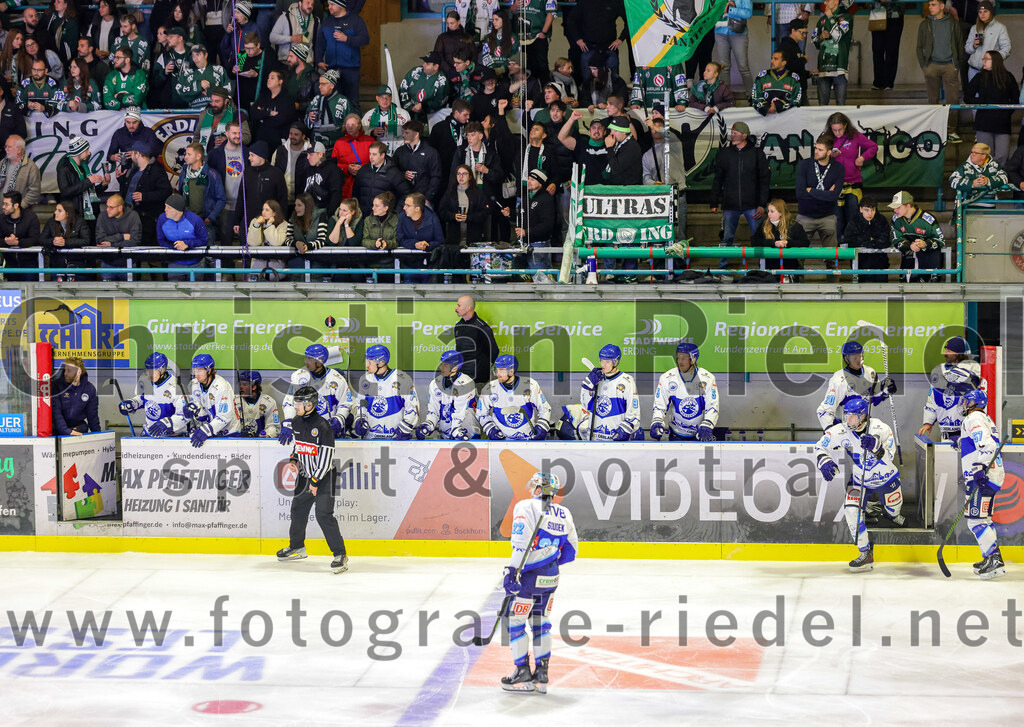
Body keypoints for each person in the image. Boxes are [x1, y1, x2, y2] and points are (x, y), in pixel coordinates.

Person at [499, 471, 577, 694]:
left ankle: (522, 671)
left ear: (539, 489)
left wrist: (512, 571)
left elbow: (521, 544)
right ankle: (542, 673)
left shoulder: (525, 506)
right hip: (551, 577)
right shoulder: (564, 512)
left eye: (534, 485)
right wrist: (549, 561)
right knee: (541, 620)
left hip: (529, 576)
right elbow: (572, 551)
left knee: (515, 620)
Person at [814, 396, 903, 573]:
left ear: (863, 416)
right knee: (851, 511)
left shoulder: (881, 428)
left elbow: (890, 459)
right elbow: (819, 446)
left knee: (895, 513)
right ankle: (865, 553)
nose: (849, 420)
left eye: (853, 417)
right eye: (846, 416)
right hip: (860, 480)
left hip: (886, 478)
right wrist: (823, 460)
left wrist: (877, 448)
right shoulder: (840, 431)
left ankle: (884, 511)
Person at [277, 385, 350, 574]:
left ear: (310, 404)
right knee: (297, 509)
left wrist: (315, 482)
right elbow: (297, 446)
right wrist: (294, 459)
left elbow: (326, 459)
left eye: (299, 403)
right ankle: (297, 547)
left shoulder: (323, 426)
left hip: (324, 476)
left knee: (323, 514)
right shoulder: (296, 422)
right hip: (305, 475)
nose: (296, 405)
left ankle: (340, 554)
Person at [956, 388, 1006, 579]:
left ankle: (993, 559)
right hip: (993, 475)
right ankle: (992, 557)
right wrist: (961, 441)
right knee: (984, 519)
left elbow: (988, 445)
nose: (964, 405)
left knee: (975, 520)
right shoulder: (984, 418)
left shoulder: (973, 418)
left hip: (983, 475)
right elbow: (982, 442)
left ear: (974, 403)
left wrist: (978, 468)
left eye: (966, 402)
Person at [711, 122, 770, 263]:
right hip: (730, 205)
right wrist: (714, 201)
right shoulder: (724, 153)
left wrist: (762, 204)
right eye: (732, 133)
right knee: (726, 238)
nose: (732, 135)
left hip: (753, 205)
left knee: (760, 237)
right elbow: (717, 179)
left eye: (735, 133)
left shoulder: (757, 154)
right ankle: (722, 268)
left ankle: (764, 267)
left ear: (744, 135)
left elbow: (765, 180)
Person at [278, 343, 353, 445]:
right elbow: (289, 402)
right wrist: (288, 422)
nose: (306, 361)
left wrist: (339, 419)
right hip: (303, 431)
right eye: (306, 358)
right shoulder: (298, 376)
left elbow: (345, 403)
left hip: (328, 433)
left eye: (310, 359)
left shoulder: (337, 379)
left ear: (319, 361)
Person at [816, 340, 896, 430]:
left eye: (860, 356)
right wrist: (829, 429)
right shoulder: (838, 380)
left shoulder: (870, 372)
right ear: (846, 359)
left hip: (864, 426)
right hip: (845, 427)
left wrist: (885, 390)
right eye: (855, 358)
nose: (859, 360)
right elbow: (824, 410)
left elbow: (872, 398)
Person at [650, 341, 718, 441]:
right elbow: (660, 404)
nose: (680, 362)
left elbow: (712, 405)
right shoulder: (667, 378)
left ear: (693, 359)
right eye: (678, 357)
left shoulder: (707, 378)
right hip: (675, 434)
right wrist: (657, 421)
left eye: (684, 358)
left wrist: (708, 423)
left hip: (699, 434)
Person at [919, 335, 982, 442]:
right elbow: (932, 398)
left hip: (969, 430)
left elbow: (979, 395)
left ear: (959, 353)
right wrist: (928, 422)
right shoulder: (939, 370)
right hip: (946, 432)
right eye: (945, 350)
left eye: (949, 350)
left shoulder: (974, 368)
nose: (945, 353)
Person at [826, 113, 878, 242]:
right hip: (834, 185)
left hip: (853, 184)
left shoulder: (855, 136)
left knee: (853, 218)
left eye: (840, 129)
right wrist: (829, 155)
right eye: (834, 130)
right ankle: (835, 254)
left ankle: (853, 250)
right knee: (836, 220)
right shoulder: (827, 138)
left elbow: (873, 146)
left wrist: (862, 157)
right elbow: (817, 156)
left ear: (845, 125)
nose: (837, 133)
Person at [918, 0, 965, 143]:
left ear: (942, 6)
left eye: (933, 5)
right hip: (931, 66)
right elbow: (919, 47)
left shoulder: (952, 23)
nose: (930, 7)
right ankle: (935, 129)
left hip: (950, 66)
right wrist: (924, 66)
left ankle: (951, 130)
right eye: (929, 5)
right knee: (933, 100)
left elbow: (959, 44)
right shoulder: (925, 24)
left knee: (952, 100)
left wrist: (956, 64)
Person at [575, 344, 640, 441]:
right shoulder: (595, 379)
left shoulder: (627, 381)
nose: (603, 364)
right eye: (601, 360)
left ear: (615, 361)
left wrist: (626, 427)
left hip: (615, 439)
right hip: (594, 439)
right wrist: (589, 389)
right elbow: (585, 405)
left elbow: (634, 410)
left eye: (607, 361)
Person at [478, 354, 551, 440]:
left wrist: (542, 426)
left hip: (528, 439)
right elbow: (481, 413)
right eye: (496, 370)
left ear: (511, 371)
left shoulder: (530, 385)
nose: (498, 374)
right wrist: (491, 429)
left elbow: (545, 408)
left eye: (501, 370)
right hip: (501, 441)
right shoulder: (490, 388)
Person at [353, 344, 419, 440]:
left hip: (396, 440)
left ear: (381, 362)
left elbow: (412, 408)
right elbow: (360, 405)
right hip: (370, 439)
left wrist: (404, 429)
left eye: (370, 362)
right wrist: (360, 420)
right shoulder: (364, 379)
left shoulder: (403, 379)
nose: (367, 365)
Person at [964, 53, 1019, 167]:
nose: (983, 61)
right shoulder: (980, 77)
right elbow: (967, 97)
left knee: (1002, 156)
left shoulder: (1008, 77)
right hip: (984, 122)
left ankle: (998, 180)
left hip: (1002, 124)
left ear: (995, 61)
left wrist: (1006, 113)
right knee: (984, 156)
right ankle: (985, 181)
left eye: (986, 59)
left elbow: (1015, 99)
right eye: (983, 58)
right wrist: (981, 102)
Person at [317, 0, 369, 112]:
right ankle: (337, 128)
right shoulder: (326, 22)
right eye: (328, 4)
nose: (329, 7)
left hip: (351, 69)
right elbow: (320, 43)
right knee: (334, 101)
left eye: (332, 4)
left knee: (353, 101)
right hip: (332, 69)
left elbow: (365, 39)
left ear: (340, 5)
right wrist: (319, 60)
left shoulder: (356, 20)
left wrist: (347, 39)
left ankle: (356, 128)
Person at [416, 350, 480, 440]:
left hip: (467, 433)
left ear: (455, 368)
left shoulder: (466, 383)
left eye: (446, 365)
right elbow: (433, 410)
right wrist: (428, 425)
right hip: (446, 434)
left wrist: (455, 431)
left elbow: (460, 412)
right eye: (442, 364)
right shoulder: (435, 383)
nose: (441, 368)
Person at [118, 352, 186, 437]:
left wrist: (168, 423)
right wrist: (132, 403)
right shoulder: (145, 380)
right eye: (148, 371)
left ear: (162, 369)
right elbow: (142, 399)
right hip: (150, 432)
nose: (150, 375)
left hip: (171, 435)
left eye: (153, 372)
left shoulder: (176, 386)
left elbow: (184, 415)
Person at [795, 135, 843, 248]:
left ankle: (830, 266)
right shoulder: (804, 165)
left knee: (831, 255)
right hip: (805, 215)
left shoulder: (838, 168)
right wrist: (826, 193)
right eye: (816, 148)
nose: (816, 152)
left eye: (820, 150)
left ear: (829, 152)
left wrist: (811, 190)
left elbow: (834, 196)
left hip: (827, 216)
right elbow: (800, 194)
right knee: (798, 254)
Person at [185, 353, 241, 448]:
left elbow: (224, 416)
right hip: (212, 432)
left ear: (209, 370)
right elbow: (204, 414)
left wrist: (207, 430)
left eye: (199, 371)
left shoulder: (222, 386)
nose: (196, 375)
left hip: (229, 433)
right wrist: (194, 412)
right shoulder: (194, 384)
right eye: (194, 371)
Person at [233, 141, 288, 236]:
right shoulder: (247, 172)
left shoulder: (276, 173)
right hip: (249, 222)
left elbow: (282, 200)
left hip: (270, 223)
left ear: (261, 156)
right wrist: (237, 221)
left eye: (252, 155)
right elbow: (241, 197)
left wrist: (280, 221)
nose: (249, 158)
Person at [887, 191, 943, 283]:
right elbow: (896, 239)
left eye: (898, 207)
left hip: (929, 263)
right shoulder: (896, 219)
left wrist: (925, 244)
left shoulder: (927, 219)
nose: (895, 210)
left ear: (908, 205)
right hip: (908, 263)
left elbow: (940, 240)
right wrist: (909, 245)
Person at [178, 143, 226, 244]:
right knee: (189, 256)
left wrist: (210, 217)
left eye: (189, 154)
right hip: (187, 221)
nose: (185, 157)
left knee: (208, 256)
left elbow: (221, 199)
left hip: (205, 223)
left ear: (198, 156)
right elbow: (180, 196)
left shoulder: (212, 175)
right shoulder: (184, 173)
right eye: (186, 154)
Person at [751, 198, 809, 282]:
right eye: (768, 211)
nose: (769, 214)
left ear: (781, 213)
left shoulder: (795, 226)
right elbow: (754, 241)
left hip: (789, 268)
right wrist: (773, 243)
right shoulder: (764, 225)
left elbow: (805, 242)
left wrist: (788, 243)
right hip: (768, 269)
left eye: (772, 211)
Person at [57, 136, 108, 226]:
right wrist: (88, 181)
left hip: (90, 213)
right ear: (78, 152)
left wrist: (103, 184)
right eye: (86, 151)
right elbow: (65, 192)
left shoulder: (84, 167)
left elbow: (88, 192)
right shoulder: (64, 169)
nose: (89, 153)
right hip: (76, 214)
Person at [438, 164, 494, 247]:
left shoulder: (478, 193)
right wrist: (453, 216)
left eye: (464, 174)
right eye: (458, 174)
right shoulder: (450, 193)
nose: (461, 176)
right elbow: (441, 211)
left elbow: (485, 212)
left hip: (473, 235)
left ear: (470, 176)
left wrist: (469, 217)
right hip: (454, 236)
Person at [158, 194, 209, 279]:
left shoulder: (195, 220)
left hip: (196, 262)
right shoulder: (162, 219)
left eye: (168, 208)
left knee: (196, 290)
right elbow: (161, 240)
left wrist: (187, 244)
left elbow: (204, 240)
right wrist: (176, 246)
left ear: (178, 210)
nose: (165, 210)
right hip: (174, 262)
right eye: (165, 206)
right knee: (175, 290)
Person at [452, 296, 499, 387]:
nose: (456, 308)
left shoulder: (482, 327)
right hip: (462, 378)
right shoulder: (458, 326)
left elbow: (494, 350)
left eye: (459, 306)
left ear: (468, 308)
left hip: (479, 380)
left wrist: (484, 368)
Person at [811, 0, 852, 105]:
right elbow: (814, 41)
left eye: (828, 0)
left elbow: (838, 35)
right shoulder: (822, 20)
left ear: (836, 1)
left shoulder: (846, 17)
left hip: (839, 67)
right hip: (823, 67)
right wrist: (821, 36)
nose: (825, 3)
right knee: (822, 106)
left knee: (841, 105)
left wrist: (830, 17)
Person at [393, 120, 442, 206]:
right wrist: (403, 174)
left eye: (407, 133)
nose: (403, 135)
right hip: (403, 198)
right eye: (403, 132)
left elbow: (436, 177)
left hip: (424, 198)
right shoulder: (399, 151)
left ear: (416, 134)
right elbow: (392, 172)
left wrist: (427, 197)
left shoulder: (431, 152)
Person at [354, 141, 410, 216]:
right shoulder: (363, 170)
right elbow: (355, 192)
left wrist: (396, 212)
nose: (371, 157)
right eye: (370, 153)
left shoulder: (393, 173)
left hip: (384, 218)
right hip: (363, 215)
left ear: (382, 155)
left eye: (374, 154)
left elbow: (405, 194)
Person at [843, 197, 891, 282]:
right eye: (867, 210)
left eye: (872, 210)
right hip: (860, 264)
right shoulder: (854, 221)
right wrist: (869, 239)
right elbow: (849, 240)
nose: (870, 213)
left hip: (880, 264)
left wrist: (866, 242)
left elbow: (886, 240)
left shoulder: (882, 220)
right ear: (861, 209)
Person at [714, 0, 754, 99]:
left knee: (743, 67)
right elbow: (711, 11)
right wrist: (719, 9)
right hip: (720, 32)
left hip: (739, 33)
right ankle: (725, 97)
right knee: (724, 67)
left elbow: (748, 13)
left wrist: (730, 9)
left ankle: (753, 95)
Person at [557, 110, 609, 187]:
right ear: (589, 132)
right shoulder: (581, 145)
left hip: (605, 189)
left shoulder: (610, 146)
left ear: (604, 132)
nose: (596, 131)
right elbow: (561, 137)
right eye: (593, 128)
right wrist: (572, 119)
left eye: (600, 128)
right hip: (583, 189)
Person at [52, 356, 100, 436]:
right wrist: (67, 432)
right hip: (59, 429)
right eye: (65, 370)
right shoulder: (57, 386)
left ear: (79, 372)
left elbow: (93, 417)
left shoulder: (89, 389)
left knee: (83, 428)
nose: (65, 373)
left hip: (78, 428)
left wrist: (98, 436)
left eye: (69, 371)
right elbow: (56, 413)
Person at [42, 200, 91, 278]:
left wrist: (65, 242)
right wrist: (53, 241)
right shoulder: (51, 222)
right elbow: (42, 239)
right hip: (57, 264)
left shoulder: (80, 222)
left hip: (76, 263)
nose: (55, 212)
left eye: (59, 211)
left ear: (68, 213)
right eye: (56, 209)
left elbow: (86, 240)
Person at [964, 1, 1010, 83]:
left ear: (991, 12)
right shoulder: (974, 28)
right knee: (973, 95)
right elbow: (967, 49)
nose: (982, 14)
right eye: (980, 12)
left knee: (988, 95)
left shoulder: (1000, 28)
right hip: (973, 69)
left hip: (991, 71)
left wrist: (994, 60)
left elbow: (1007, 49)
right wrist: (973, 46)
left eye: (985, 11)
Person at [196, 86, 253, 153]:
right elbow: (196, 136)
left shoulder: (237, 115)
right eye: (212, 101)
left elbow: (247, 137)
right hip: (204, 156)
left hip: (228, 156)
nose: (213, 104)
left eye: (217, 101)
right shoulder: (205, 114)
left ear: (226, 101)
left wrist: (229, 140)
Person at [250, 69, 298, 148]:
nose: (268, 80)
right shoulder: (264, 95)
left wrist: (262, 117)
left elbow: (281, 119)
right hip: (261, 137)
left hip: (278, 139)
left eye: (272, 78)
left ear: (280, 81)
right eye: (268, 78)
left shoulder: (287, 99)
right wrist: (269, 113)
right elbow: (253, 113)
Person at [332, 114, 374, 199]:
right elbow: (334, 165)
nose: (350, 127)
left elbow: (376, 162)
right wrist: (347, 168)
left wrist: (362, 168)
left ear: (359, 126)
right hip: (346, 185)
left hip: (366, 183)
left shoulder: (369, 141)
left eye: (353, 125)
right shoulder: (339, 142)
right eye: (348, 125)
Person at [513, 0, 556, 83]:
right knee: (524, 66)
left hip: (538, 35)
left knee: (541, 66)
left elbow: (551, 14)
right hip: (520, 37)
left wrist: (543, 32)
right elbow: (510, 10)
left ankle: (545, 90)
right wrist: (515, 5)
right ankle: (530, 91)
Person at [400, 51, 450, 123]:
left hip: (429, 118)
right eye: (424, 62)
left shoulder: (442, 82)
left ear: (435, 67)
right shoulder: (415, 71)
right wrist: (410, 106)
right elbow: (403, 88)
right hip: (408, 113)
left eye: (427, 64)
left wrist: (423, 106)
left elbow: (439, 102)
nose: (423, 65)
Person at [0, 191, 40, 279]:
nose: (3, 207)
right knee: (13, 292)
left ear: (16, 205)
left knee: (29, 291)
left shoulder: (31, 217)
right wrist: (7, 241)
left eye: (7, 204)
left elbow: (35, 239)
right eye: (3, 204)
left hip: (29, 265)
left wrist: (17, 242)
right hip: (10, 264)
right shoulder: (1, 219)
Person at [307, 69, 351, 147]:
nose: (320, 87)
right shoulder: (316, 100)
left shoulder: (343, 101)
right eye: (319, 84)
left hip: (337, 144)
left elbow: (351, 123)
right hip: (316, 144)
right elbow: (306, 120)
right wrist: (309, 118)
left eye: (323, 84)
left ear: (332, 85)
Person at [296, 141, 343, 214]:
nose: (308, 157)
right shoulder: (307, 170)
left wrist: (328, 215)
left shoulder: (333, 170)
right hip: (306, 213)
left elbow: (336, 195)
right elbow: (300, 191)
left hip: (323, 214)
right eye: (307, 154)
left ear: (320, 154)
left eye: (311, 154)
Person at [247, 200, 289, 278]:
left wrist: (268, 225)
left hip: (277, 269)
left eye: (267, 210)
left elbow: (276, 242)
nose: (263, 212)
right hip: (257, 267)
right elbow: (253, 242)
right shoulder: (255, 221)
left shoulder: (284, 224)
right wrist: (256, 225)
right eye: (263, 209)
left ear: (274, 213)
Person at [752, 51, 801, 116]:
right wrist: (766, 108)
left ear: (784, 63)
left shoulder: (793, 78)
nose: (772, 61)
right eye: (772, 58)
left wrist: (777, 105)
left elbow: (796, 100)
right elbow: (755, 98)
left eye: (776, 59)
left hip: (786, 121)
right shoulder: (762, 76)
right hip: (764, 121)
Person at [236, 371, 281, 439]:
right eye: (240, 384)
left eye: (244, 384)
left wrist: (267, 435)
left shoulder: (268, 402)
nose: (241, 387)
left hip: (260, 444)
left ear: (254, 387)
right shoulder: (235, 401)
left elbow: (273, 426)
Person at [0, 136, 40, 209]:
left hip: (19, 212)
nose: (6, 149)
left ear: (18, 150)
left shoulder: (31, 167)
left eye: (9, 147)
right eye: (5, 146)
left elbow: (34, 192)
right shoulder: (2, 163)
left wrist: (19, 206)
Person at [102, 45, 148, 109]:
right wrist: (122, 105)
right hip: (116, 115)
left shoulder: (140, 75)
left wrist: (119, 97)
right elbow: (107, 100)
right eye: (115, 57)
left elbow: (137, 99)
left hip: (137, 114)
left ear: (127, 60)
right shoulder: (111, 75)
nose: (114, 60)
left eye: (118, 58)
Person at [432, 10, 473, 77]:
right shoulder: (442, 38)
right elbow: (438, 56)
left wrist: (466, 69)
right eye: (448, 23)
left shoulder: (467, 37)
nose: (449, 26)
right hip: (446, 73)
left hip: (465, 72)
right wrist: (449, 70)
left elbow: (473, 55)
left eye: (452, 23)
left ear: (459, 22)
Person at [478, 10, 519, 78]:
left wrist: (502, 69)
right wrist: (494, 70)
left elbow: (515, 56)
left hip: (508, 72)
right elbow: (485, 55)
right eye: (493, 20)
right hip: (491, 72)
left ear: (504, 20)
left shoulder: (513, 37)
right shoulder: (489, 37)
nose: (494, 22)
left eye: (496, 19)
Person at [779, 18, 810, 101]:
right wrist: (803, 60)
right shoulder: (785, 46)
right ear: (793, 31)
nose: (804, 35)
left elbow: (797, 70)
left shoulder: (796, 47)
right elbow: (787, 67)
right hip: (792, 90)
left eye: (805, 33)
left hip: (800, 88)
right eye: (802, 32)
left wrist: (809, 73)